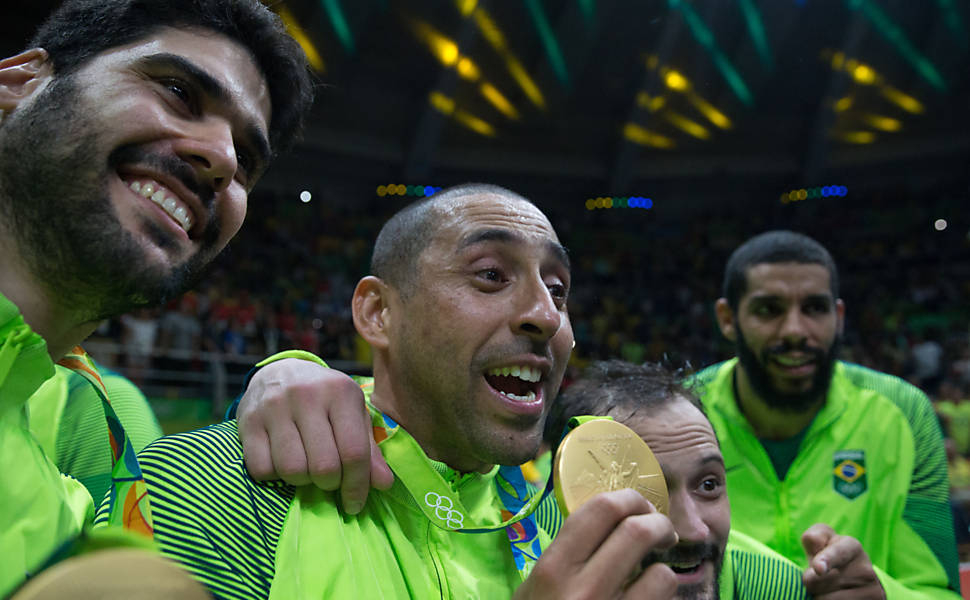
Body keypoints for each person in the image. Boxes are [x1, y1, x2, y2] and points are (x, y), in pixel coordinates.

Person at [117, 185, 680, 599]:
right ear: (378, 312)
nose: (545, 315)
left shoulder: (567, 526)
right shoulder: (207, 489)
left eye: (558, 290)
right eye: (490, 274)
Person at [0, 0, 313, 594]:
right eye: (176, 90)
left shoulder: (62, 517)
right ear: (20, 82)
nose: (222, 160)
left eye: (246, 160)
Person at [692, 230, 960, 599]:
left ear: (839, 316)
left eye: (814, 308)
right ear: (727, 317)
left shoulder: (904, 411)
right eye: (768, 309)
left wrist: (880, 594)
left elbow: (940, 593)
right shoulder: (684, 412)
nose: (795, 330)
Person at [543, 359, 809, 600]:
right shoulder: (519, 576)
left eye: (708, 485)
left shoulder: (783, 589)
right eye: (646, 491)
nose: (694, 531)